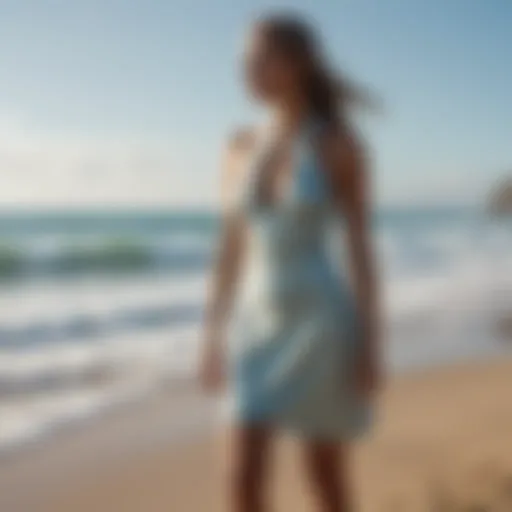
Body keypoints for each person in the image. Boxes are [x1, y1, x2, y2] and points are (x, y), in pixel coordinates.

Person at [201, 11, 380, 512]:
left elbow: (361, 253)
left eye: (259, 60)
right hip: (254, 326)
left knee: (324, 479)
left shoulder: (339, 145)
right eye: (244, 61)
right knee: (241, 479)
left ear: (297, 63)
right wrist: (212, 334)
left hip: (321, 326)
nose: (246, 72)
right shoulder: (238, 145)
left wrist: (370, 346)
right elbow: (230, 248)